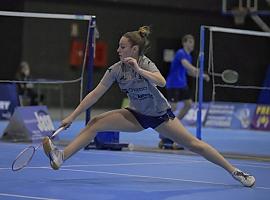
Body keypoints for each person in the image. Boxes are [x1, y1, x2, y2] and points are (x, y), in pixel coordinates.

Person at [42, 26, 255, 187]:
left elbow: (161, 81)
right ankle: (61, 157)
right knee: (95, 122)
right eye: (118, 46)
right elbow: (95, 94)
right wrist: (72, 116)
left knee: (195, 144)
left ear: (134, 49)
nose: (118, 50)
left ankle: (235, 172)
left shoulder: (145, 63)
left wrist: (138, 69)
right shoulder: (116, 70)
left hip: (160, 116)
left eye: (122, 47)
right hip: (135, 114)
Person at [159, 34, 210, 149]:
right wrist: (199, 71)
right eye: (190, 42)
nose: (192, 44)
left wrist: (201, 76)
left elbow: (189, 72)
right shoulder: (181, 53)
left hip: (182, 84)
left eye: (193, 42)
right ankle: (163, 127)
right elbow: (187, 66)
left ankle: (175, 124)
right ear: (184, 43)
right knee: (174, 107)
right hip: (173, 84)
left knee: (188, 104)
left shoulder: (189, 56)